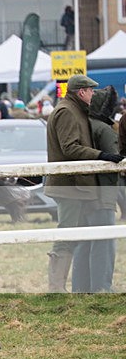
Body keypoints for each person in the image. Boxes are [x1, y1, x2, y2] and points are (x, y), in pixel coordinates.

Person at [45, 75, 125, 292]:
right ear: (81, 92)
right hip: (70, 186)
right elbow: (70, 148)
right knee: (67, 235)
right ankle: (55, 288)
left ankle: (62, 288)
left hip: (77, 187)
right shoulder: (67, 112)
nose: (93, 94)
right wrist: (102, 155)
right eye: (91, 90)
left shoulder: (74, 110)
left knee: (77, 236)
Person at [71, 85, 123, 292]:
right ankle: (102, 287)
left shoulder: (82, 124)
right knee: (104, 243)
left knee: (84, 243)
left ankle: (81, 288)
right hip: (103, 194)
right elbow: (117, 160)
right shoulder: (104, 129)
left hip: (82, 193)